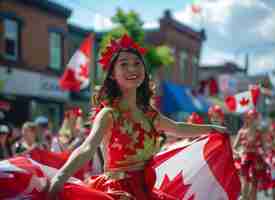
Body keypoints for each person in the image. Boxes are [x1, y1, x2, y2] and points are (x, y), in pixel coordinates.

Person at [47, 34, 226, 200]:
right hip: (118, 192)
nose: (132, 68)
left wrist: (212, 129)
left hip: (146, 191)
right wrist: (61, 176)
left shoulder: (149, 114)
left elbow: (178, 128)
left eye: (137, 63)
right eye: (123, 64)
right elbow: (87, 148)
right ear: (112, 74)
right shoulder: (109, 114)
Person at [233, 109, 266, 200]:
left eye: (255, 118)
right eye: (251, 118)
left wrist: (263, 154)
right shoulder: (242, 132)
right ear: (247, 119)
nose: (253, 120)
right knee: (245, 183)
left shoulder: (260, 132)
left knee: (254, 186)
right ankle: (244, 197)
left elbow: (264, 148)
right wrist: (239, 153)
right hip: (245, 160)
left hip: (256, 161)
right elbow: (234, 147)